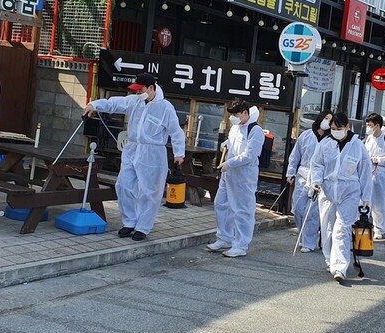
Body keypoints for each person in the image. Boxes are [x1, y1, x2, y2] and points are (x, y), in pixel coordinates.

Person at [83, 73, 184, 241]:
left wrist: (179, 153)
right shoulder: (134, 101)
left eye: (140, 90)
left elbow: (176, 131)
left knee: (149, 191)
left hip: (153, 152)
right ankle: (129, 222)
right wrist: (94, 105)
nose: (137, 93)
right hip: (132, 149)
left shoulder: (165, 107)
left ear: (151, 88)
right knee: (123, 185)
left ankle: (143, 227)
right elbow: (114, 103)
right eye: (136, 90)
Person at [310, 111, 372, 282]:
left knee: (342, 228)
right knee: (328, 227)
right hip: (328, 191)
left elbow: (365, 172)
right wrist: (315, 181)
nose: (335, 131)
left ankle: (340, 267)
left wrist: (366, 197)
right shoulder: (325, 143)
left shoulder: (358, 146)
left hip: (349, 191)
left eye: (339, 128)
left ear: (348, 127)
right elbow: (317, 165)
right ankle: (330, 260)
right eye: (333, 128)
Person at [206, 100, 265, 257]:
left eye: (236, 114)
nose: (233, 117)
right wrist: (225, 144)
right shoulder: (236, 127)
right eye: (231, 115)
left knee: (242, 210)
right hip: (228, 174)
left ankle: (241, 244)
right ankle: (224, 237)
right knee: (220, 204)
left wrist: (230, 163)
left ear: (245, 113)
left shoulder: (255, 130)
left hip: (243, 176)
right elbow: (232, 143)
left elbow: (250, 155)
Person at [285, 110, 332, 253]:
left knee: (312, 212)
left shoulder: (330, 140)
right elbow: (295, 156)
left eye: (330, 120)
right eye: (326, 118)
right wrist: (290, 172)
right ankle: (302, 234)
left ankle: (309, 242)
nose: (327, 122)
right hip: (303, 176)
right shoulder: (305, 136)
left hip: (319, 178)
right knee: (298, 208)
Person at [362, 113, 385, 240]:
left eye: (370, 125)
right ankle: (363, 225)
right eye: (367, 124)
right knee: (364, 201)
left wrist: (378, 159)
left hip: (381, 175)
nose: (368, 127)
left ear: (377, 126)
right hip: (367, 173)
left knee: (379, 203)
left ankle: (379, 229)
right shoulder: (369, 139)